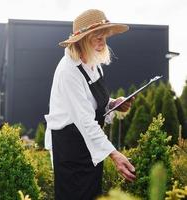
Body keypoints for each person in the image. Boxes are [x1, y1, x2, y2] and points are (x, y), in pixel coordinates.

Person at [44, 9, 136, 200]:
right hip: (70, 146)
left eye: (105, 37)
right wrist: (114, 154)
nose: (102, 43)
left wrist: (113, 104)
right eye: (97, 37)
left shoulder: (93, 61)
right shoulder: (68, 71)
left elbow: (91, 102)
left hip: (89, 143)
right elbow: (84, 120)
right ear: (82, 40)